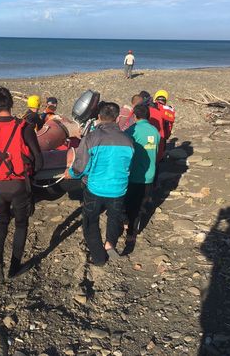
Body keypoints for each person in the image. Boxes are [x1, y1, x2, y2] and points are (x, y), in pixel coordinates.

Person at [0, 87, 43, 282]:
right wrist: (33, 175)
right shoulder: (24, 127)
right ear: (12, 104)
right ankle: (14, 266)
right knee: (21, 224)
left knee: (2, 220)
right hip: (19, 185)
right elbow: (39, 160)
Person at [65, 102, 134, 265]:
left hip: (95, 188)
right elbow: (127, 165)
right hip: (118, 189)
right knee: (114, 217)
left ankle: (98, 257)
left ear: (98, 118)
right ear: (117, 118)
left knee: (90, 221)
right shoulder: (128, 140)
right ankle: (110, 243)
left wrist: (72, 173)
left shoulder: (91, 138)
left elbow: (82, 165)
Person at [124, 104, 160, 244]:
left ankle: (127, 227)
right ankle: (133, 232)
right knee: (141, 206)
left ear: (134, 116)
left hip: (133, 175)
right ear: (148, 115)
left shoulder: (132, 130)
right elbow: (156, 152)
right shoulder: (154, 131)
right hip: (149, 174)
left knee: (129, 204)